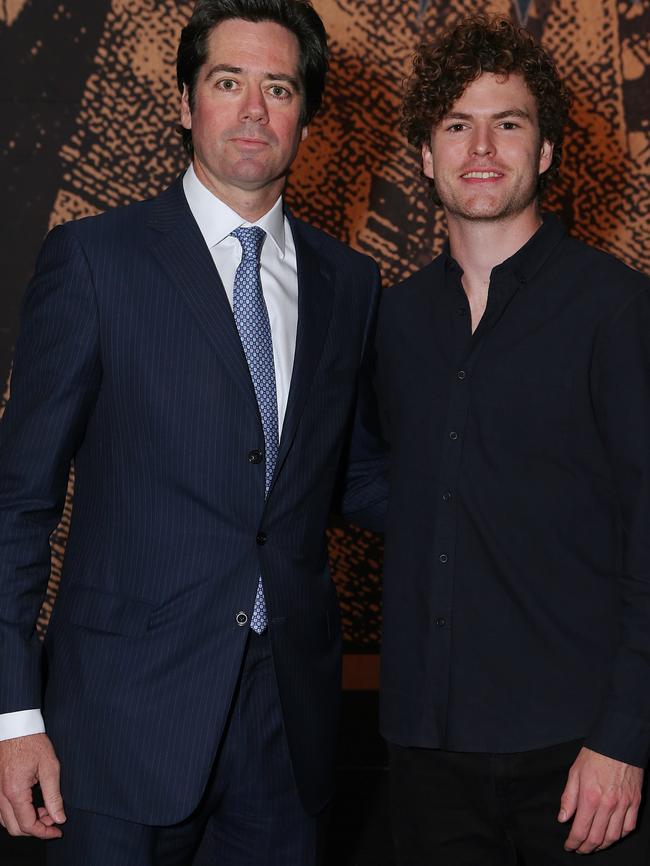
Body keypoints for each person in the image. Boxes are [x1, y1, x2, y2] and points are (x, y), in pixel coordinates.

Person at [0, 1, 380, 863]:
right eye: (227, 82)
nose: (254, 110)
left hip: (287, 732)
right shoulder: (95, 260)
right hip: (117, 730)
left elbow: (347, 476)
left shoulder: (349, 281)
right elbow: (17, 500)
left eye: (278, 87)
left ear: (306, 114)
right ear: (184, 102)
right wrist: (13, 714)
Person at [362, 13, 650, 865]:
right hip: (424, 746)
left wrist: (626, 738)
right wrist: (444, 509)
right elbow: (360, 468)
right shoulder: (395, 320)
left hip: (579, 755)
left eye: (508, 122)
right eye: (457, 124)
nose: (481, 146)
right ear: (426, 154)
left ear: (546, 150)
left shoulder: (617, 310)